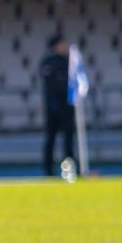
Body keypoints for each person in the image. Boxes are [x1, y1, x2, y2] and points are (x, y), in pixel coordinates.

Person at [38, 36, 77, 177]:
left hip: (67, 107)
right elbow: (51, 84)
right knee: (51, 139)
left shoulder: (69, 62)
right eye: (62, 44)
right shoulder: (48, 62)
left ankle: (71, 168)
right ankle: (48, 170)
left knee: (68, 139)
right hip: (53, 107)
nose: (65, 46)